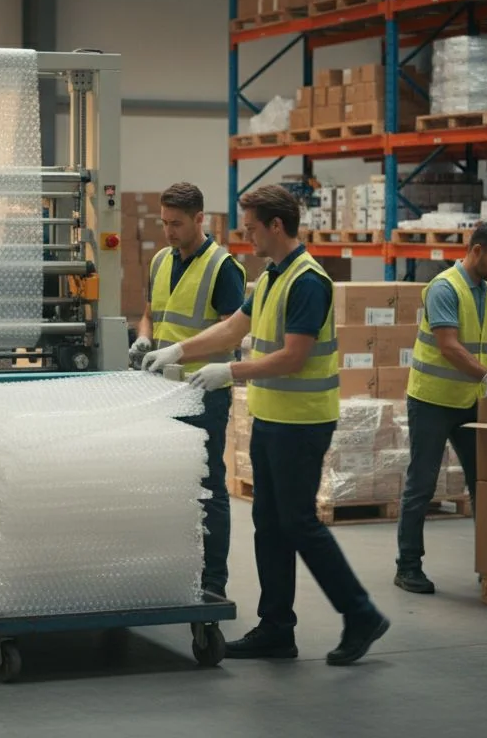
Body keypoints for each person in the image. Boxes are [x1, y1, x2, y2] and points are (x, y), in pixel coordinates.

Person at [144, 184, 389, 666]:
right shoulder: (274, 275)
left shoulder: (307, 281)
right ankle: (277, 628)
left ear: (276, 226)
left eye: (252, 228)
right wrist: (178, 350)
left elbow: (294, 356)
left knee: (297, 523)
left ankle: (360, 613)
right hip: (272, 417)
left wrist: (229, 371)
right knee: (268, 524)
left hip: (303, 423)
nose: (246, 236)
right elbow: (235, 326)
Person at [395, 221, 487, 594]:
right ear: (476, 250)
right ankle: (408, 565)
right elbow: (449, 346)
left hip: (468, 402)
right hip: (431, 400)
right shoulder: (445, 287)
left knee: (483, 482)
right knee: (422, 484)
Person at [130, 182, 245, 599]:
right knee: (164, 484)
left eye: (177, 223)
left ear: (200, 218)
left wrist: (180, 350)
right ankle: (173, 571)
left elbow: (231, 331)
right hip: (162, 390)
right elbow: (150, 313)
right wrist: (145, 337)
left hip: (203, 392)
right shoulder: (161, 260)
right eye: (164, 222)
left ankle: (214, 582)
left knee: (208, 486)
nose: (169, 231)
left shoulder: (222, 267)